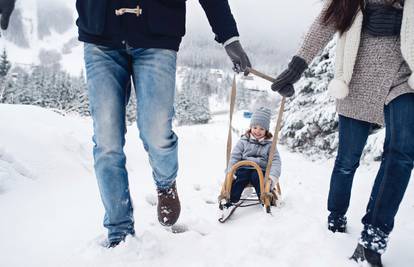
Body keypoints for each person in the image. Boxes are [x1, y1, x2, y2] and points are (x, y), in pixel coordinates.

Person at [75, 0, 251, 248]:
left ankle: (166, 185)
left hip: (156, 35)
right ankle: (119, 229)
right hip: (100, 34)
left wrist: (229, 37)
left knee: (156, 131)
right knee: (106, 142)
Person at [271, 0, 413, 266]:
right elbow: (322, 26)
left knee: (402, 155)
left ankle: (374, 236)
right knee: (347, 161)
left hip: (404, 80)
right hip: (357, 82)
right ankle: (336, 217)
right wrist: (295, 69)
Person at [226, 107, 281, 205]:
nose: (257, 131)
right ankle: (232, 199)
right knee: (241, 178)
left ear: (266, 130)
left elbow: (276, 161)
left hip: (260, 170)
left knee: (258, 178)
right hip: (244, 167)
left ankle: (264, 198)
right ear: (250, 127)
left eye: (261, 129)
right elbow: (235, 156)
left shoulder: (269, 145)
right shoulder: (243, 141)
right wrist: (230, 171)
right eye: (255, 127)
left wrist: (272, 177)